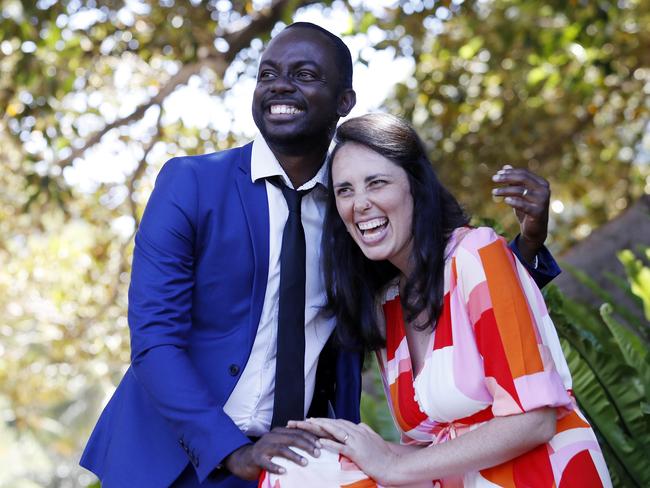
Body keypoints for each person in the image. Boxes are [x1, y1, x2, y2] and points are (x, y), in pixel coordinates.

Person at [80, 23, 560, 487]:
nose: (280, 87)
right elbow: (154, 339)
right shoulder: (190, 184)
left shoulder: (356, 206)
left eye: (304, 75)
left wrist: (528, 245)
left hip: (300, 466)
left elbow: (439, 282)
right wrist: (233, 451)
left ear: (344, 101)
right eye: (267, 74)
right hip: (178, 460)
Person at [262, 113, 611, 487]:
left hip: (540, 476)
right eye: (345, 190)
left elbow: (535, 419)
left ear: (416, 186)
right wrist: (352, 447)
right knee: (294, 468)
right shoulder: (389, 304)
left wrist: (391, 466)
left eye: (376, 183)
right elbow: (433, 448)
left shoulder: (476, 253)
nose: (359, 203)